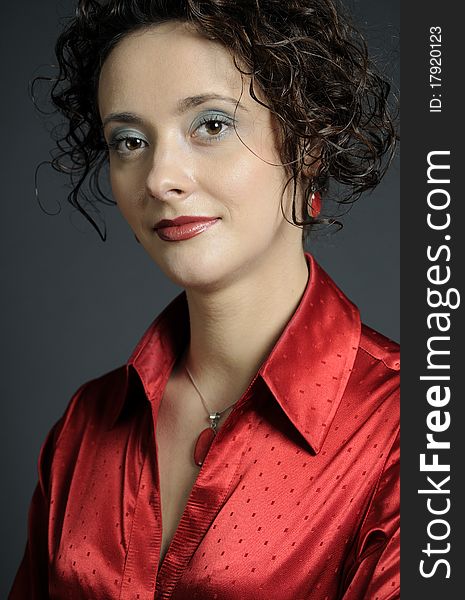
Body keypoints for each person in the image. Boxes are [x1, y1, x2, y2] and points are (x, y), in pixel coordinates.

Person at [10, 0, 399, 598]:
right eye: (130, 139)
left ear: (308, 144)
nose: (160, 177)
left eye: (211, 125)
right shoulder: (85, 427)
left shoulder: (414, 429)